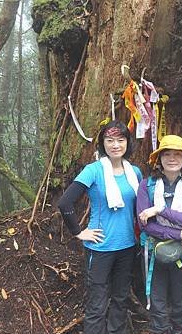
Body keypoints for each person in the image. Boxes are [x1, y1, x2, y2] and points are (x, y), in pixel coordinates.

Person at [58, 120, 142, 334]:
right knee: (97, 301)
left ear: (127, 143)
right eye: (110, 140)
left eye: (121, 140)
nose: (115, 145)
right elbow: (65, 202)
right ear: (102, 144)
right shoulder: (93, 170)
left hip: (128, 245)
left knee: (121, 298)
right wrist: (79, 232)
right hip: (101, 246)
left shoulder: (134, 172)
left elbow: (139, 207)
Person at [137, 135, 182, 334]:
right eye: (167, 154)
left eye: (177, 155)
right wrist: (179, 233)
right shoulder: (147, 185)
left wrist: (160, 210)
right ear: (159, 160)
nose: (172, 159)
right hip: (154, 250)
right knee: (157, 301)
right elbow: (145, 224)